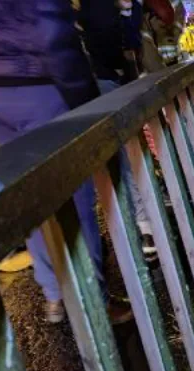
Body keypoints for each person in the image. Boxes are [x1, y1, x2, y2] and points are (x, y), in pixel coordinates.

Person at [0, 0, 132, 324]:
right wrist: (84, 100)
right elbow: (50, 29)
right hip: (35, 84)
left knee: (29, 191)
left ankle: (55, 295)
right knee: (73, 188)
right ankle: (92, 300)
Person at [78, 0, 157, 259]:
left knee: (127, 150)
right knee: (127, 150)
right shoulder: (99, 8)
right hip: (108, 77)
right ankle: (143, 226)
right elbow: (106, 35)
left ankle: (142, 224)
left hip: (115, 75)